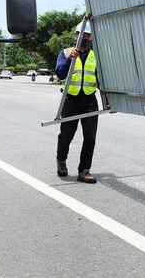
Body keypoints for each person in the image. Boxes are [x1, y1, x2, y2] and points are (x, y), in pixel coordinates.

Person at [55, 22, 100, 184]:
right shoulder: (65, 53)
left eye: (88, 35)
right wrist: (69, 59)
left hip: (89, 100)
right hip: (71, 99)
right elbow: (60, 74)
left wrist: (108, 101)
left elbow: (102, 80)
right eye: (82, 35)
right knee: (66, 135)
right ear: (76, 35)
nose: (85, 38)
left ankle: (84, 171)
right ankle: (61, 161)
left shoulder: (96, 55)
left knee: (90, 137)